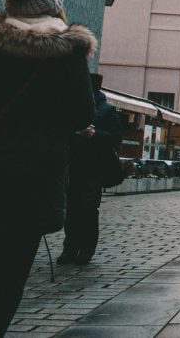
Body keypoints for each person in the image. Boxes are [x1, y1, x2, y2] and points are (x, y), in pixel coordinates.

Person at [0, 0, 96, 338]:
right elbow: (82, 113)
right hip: (37, 172)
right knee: (14, 263)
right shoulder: (67, 52)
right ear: (54, 3)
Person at [58, 74, 123, 264]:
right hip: (73, 165)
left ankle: (86, 249)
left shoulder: (107, 110)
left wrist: (95, 134)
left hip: (95, 167)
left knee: (88, 208)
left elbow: (116, 137)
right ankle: (70, 248)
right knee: (71, 209)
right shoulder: (73, 108)